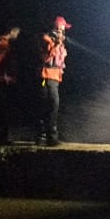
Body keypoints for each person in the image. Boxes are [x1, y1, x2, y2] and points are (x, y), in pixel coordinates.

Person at [39, 16, 70, 147]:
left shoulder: (60, 43)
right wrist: (56, 44)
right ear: (56, 28)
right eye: (61, 29)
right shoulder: (46, 39)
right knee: (50, 105)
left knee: (51, 106)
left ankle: (45, 136)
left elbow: (61, 62)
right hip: (46, 76)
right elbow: (45, 59)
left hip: (55, 77)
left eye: (63, 30)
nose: (63, 32)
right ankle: (48, 136)